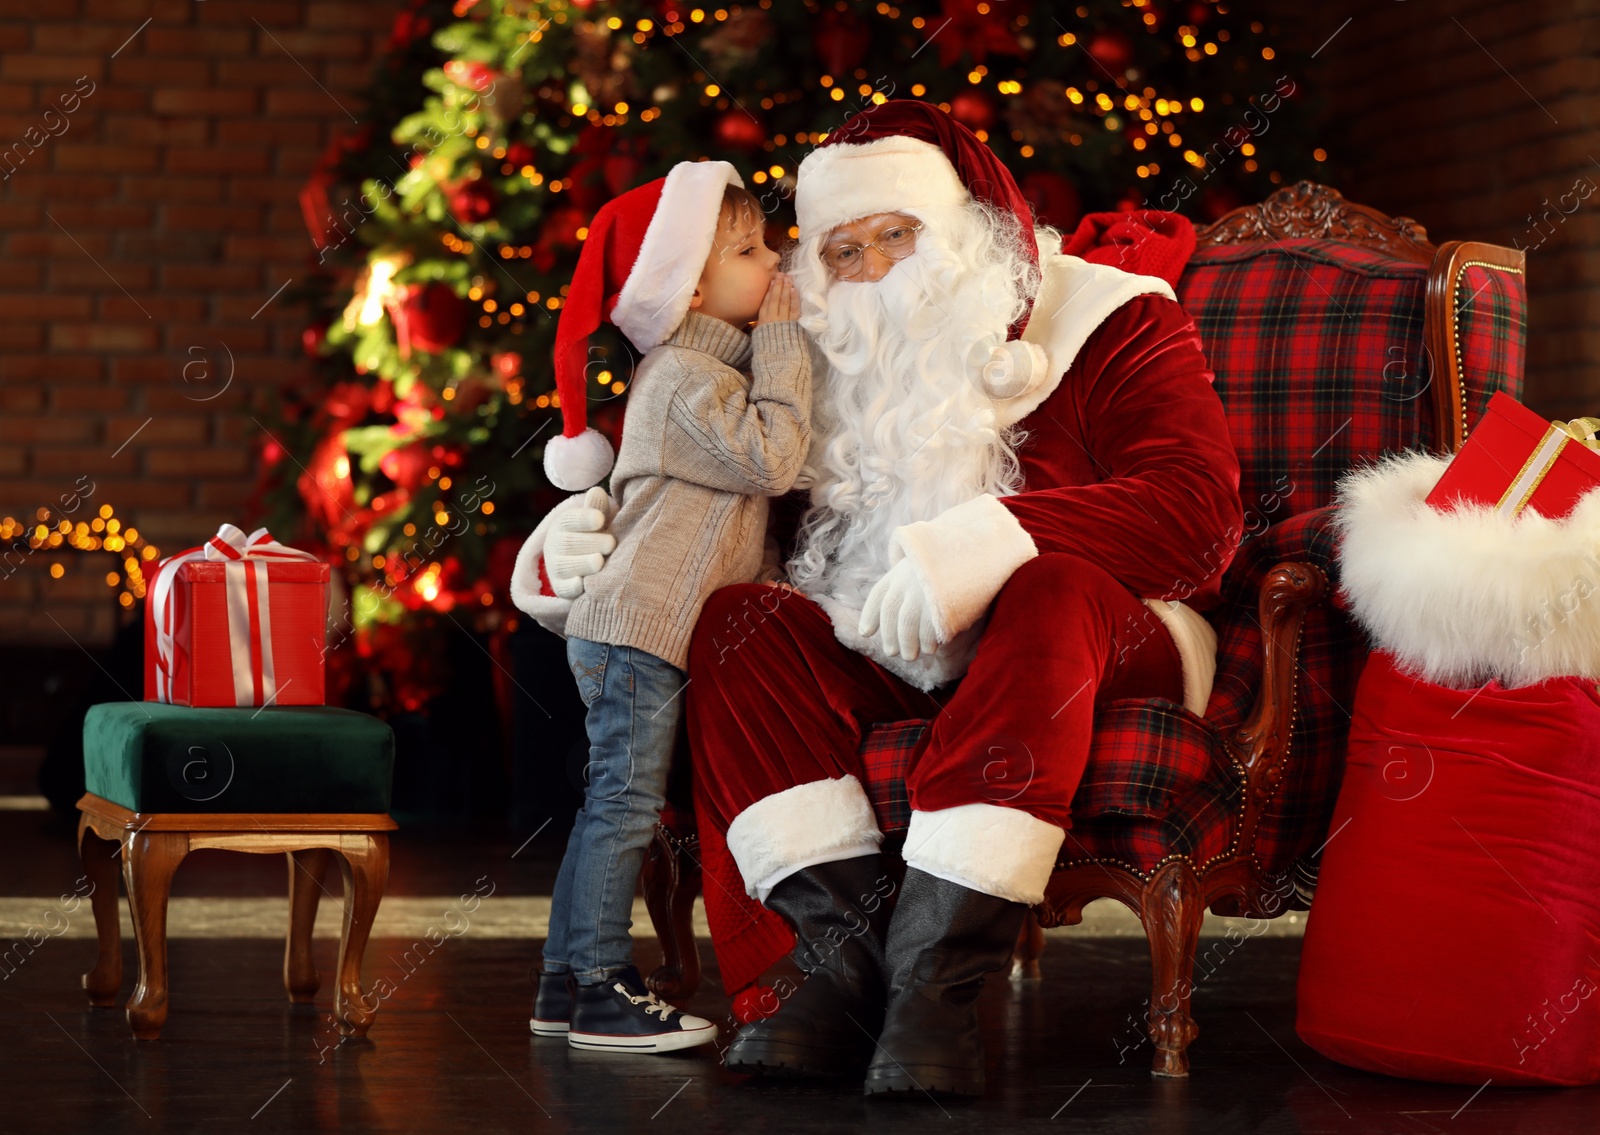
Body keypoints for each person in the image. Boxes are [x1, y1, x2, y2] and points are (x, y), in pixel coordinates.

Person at [521, 101, 1241, 1098]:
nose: (869, 273)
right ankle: (832, 964)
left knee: (1048, 587)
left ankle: (934, 994)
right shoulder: (816, 360)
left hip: (1094, 643)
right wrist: (591, 552)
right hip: (886, 653)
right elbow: (704, 495)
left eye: (893, 236)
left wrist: (986, 540)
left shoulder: (1110, 314)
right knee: (741, 626)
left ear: (962, 228)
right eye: (840, 250)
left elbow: (1197, 517)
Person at [509, 159, 812, 1053]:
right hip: (638, 631)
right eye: (750, 250)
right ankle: (603, 983)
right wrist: (788, 347)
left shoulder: (700, 373)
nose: (776, 262)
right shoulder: (682, 378)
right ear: (687, 286)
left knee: (611, 800)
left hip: (634, 633)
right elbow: (773, 460)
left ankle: (564, 983)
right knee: (625, 806)